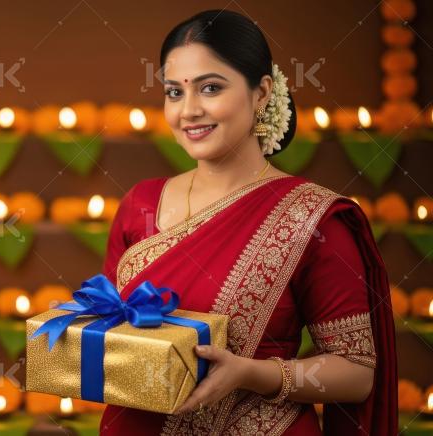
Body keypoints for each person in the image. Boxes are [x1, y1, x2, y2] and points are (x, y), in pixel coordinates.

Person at [98, 9, 397, 435]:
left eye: (211, 88)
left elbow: (357, 372)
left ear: (261, 93)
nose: (189, 111)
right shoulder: (141, 203)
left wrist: (250, 373)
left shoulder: (311, 218)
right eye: (174, 92)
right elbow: (112, 328)